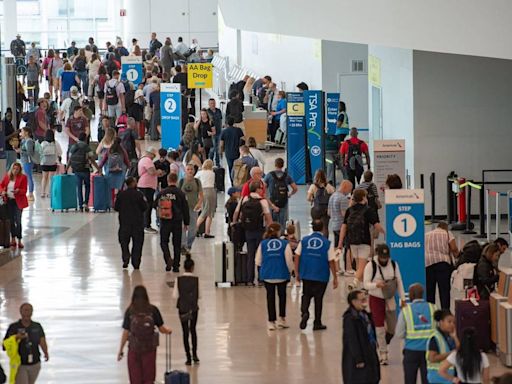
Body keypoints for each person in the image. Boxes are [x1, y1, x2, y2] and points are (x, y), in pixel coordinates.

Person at [117, 286, 172, 384]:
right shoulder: (153, 310)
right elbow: (161, 328)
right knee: (149, 378)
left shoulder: (130, 311)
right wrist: (168, 331)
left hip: (134, 350)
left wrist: (121, 350)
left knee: (135, 379)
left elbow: (125, 332)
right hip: (149, 350)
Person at [363, 243, 406, 365]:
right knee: (379, 326)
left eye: (386, 257)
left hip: (390, 298)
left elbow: (399, 281)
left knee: (392, 328)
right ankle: (383, 354)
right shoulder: (370, 266)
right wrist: (376, 285)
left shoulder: (393, 264)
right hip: (376, 298)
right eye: (382, 257)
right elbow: (365, 284)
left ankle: (381, 342)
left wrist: (403, 298)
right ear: (378, 255)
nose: (384, 260)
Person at [295, 219, 338, 330]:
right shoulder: (327, 243)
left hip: (307, 273)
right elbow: (331, 261)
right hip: (321, 274)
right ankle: (317, 322)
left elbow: (297, 256)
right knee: (318, 299)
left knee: (306, 295)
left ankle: (304, 312)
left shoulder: (304, 241)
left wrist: (297, 272)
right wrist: (335, 277)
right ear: (323, 228)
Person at [338, 189, 385, 290]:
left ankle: (364, 286)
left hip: (352, 241)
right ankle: (354, 283)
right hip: (364, 241)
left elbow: (344, 226)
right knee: (362, 266)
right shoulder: (368, 210)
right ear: (364, 197)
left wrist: (340, 242)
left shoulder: (349, 210)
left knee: (359, 265)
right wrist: (386, 232)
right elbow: (377, 226)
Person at [233, 181, 273, 285]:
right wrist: (271, 230)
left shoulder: (244, 199)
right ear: (257, 189)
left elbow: (236, 213)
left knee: (250, 255)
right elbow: (268, 218)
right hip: (260, 230)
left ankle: (249, 279)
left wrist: (234, 224)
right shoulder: (262, 201)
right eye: (261, 188)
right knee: (261, 255)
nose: (262, 190)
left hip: (248, 231)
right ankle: (260, 279)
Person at [255, 223, 294, 330]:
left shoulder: (263, 244)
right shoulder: (284, 243)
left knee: (270, 297)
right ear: (278, 232)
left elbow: (258, 261)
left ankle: (271, 321)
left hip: (267, 275)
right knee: (282, 296)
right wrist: (292, 271)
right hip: (281, 274)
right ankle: (282, 319)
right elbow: (289, 260)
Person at [395, 283, 436, 384]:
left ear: (411, 295)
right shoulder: (433, 308)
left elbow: (399, 333)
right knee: (428, 380)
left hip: (411, 351)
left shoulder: (406, 311)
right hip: (430, 351)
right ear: (422, 294)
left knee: (410, 380)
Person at [3, 303, 49, 384]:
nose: (28, 312)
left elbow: (42, 340)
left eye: (30, 310)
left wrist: (45, 352)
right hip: (20, 364)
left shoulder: (37, 326)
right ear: (21, 312)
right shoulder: (13, 327)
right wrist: (16, 338)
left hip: (35, 363)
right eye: (26, 310)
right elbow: (4, 345)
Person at [342, 290, 380, 384]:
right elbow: (352, 340)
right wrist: (358, 358)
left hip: (369, 353)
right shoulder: (350, 319)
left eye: (365, 299)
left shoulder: (365, 315)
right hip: (358, 359)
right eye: (362, 300)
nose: (364, 302)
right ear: (353, 302)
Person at [155, 172, 190, 272]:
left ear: (168, 180)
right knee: (177, 243)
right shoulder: (180, 193)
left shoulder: (162, 192)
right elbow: (185, 208)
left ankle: (168, 259)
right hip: (177, 221)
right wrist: (186, 222)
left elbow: (154, 205)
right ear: (177, 181)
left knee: (163, 242)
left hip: (165, 221)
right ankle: (176, 266)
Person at [425, 222, 460, 309]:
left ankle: (431, 311)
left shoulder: (427, 235)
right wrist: (458, 257)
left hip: (428, 264)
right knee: (444, 291)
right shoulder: (447, 233)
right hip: (443, 264)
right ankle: (445, 312)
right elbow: (454, 248)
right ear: (446, 228)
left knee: (430, 291)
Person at [114, 177, 148, 269]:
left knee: (124, 242)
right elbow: (145, 207)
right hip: (137, 223)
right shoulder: (139, 195)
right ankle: (136, 262)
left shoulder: (121, 195)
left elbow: (116, 207)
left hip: (124, 223)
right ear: (133, 183)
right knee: (137, 243)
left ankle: (125, 256)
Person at [173, 257, 200, 365]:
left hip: (183, 308)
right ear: (193, 267)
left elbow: (175, 295)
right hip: (193, 308)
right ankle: (195, 355)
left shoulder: (178, 280)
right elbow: (200, 295)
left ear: (184, 268)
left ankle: (188, 357)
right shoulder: (196, 280)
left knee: (185, 332)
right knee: (193, 330)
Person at [68, 132, 101, 212]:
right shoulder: (87, 147)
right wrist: (98, 168)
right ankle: (85, 203)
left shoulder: (73, 147)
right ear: (85, 139)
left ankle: (80, 205)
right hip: (85, 169)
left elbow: (70, 158)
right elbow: (92, 159)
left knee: (79, 187)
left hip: (76, 170)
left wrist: (67, 168)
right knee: (87, 186)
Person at [426, 309, 459, 384]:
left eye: (454, 322)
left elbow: (458, 351)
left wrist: (455, 337)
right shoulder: (435, 338)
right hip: (437, 378)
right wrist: (451, 353)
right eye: (449, 322)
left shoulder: (450, 336)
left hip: (449, 378)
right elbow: (432, 358)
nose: (452, 324)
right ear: (441, 322)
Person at [263, 157, 298, 228]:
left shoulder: (269, 175)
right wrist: (290, 194)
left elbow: (263, 188)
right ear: (283, 165)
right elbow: (295, 188)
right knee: (282, 223)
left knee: (271, 223)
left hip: (272, 202)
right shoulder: (287, 176)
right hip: (283, 202)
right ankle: (281, 236)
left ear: (275, 165)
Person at [0, 163, 28, 248]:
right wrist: (2, 192)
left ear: (20, 170)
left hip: (18, 201)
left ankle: (19, 240)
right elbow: (1, 185)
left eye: (17, 169)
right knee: (11, 221)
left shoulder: (23, 177)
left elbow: (24, 190)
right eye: (14, 169)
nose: (15, 171)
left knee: (18, 221)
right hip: (9, 201)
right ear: (11, 169)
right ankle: (13, 239)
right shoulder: (7, 176)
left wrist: (19, 191)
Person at [328, 180, 353, 270]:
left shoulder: (332, 196)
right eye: (349, 189)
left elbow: (329, 212)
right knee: (348, 247)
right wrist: (350, 205)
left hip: (334, 225)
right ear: (345, 187)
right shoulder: (343, 198)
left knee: (337, 247)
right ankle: (348, 268)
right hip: (343, 226)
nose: (349, 192)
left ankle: (337, 268)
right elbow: (344, 214)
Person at [179, 164, 204, 255]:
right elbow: (178, 194)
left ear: (194, 171)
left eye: (191, 169)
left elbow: (201, 195)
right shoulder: (181, 181)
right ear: (185, 170)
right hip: (182, 208)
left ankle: (189, 245)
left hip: (193, 208)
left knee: (193, 229)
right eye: (188, 169)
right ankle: (183, 246)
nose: (190, 171)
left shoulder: (197, 182)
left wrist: (199, 204)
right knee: (182, 228)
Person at [137, 147, 163, 234]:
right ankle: (146, 225)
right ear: (150, 154)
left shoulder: (143, 160)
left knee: (147, 205)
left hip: (147, 186)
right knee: (147, 206)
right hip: (146, 186)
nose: (153, 157)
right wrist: (158, 171)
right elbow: (151, 172)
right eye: (153, 155)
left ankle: (144, 224)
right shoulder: (147, 160)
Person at [307, 169, 335, 237]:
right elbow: (334, 196)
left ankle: (316, 239)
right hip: (326, 210)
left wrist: (313, 199)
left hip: (316, 209)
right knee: (325, 227)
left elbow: (308, 198)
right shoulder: (329, 186)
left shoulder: (313, 186)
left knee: (316, 226)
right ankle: (325, 241)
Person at [195, 160, 216, 238]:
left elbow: (195, 180)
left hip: (202, 191)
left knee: (204, 210)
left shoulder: (200, 172)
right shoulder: (212, 173)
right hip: (210, 191)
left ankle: (197, 230)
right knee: (208, 213)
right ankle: (205, 231)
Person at [40, 129, 62, 199]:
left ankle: (43, 192)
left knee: (44, 177)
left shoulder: (43, 143)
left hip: (44, 162)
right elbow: (60, 152)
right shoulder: (56, 143)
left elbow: (40, 152)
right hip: (53, 162)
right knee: (51, 178)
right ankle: (49, 193)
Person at [17, 128, 36, 201]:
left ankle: (31, 194)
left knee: (29, 177)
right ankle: (29, 193)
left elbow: (30, 153)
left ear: (27, 132)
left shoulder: (29, 141)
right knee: (27, 177)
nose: (21, 133)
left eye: (22, 131)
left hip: (28, 161)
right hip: (24, 161)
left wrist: (20, 151)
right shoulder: (24, 141)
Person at [207, 98, 223, 166]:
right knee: (212, 148)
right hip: (211, 133)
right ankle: (210, 162)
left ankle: (217, 163)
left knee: (218, 149)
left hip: (219, 132)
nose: (212, 104)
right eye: (211, 103)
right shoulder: (207, 112)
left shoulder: (218, 111)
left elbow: (221, 120)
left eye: (213, 103)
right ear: (209, 104)